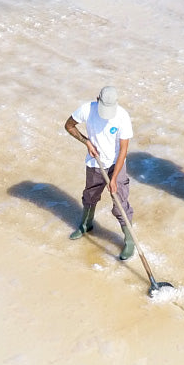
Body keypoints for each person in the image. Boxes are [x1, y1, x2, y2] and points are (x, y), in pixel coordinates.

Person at [62, 86, 137, 261]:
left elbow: (124, 150)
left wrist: (114, 178)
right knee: (90, 196)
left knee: (120, 202)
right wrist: (87, 142)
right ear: (97, 99)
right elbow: (69, 126)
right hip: (95, 162)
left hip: (116, 164)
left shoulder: (122, 116)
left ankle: (130, 241)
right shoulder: (87, 109)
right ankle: (86, 225)